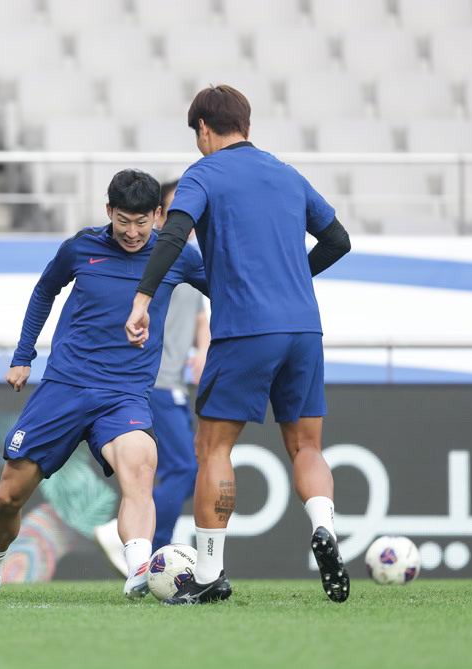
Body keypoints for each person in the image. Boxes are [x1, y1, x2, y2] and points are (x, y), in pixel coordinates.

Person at [125, 85, 352, 605]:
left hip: (245, 329)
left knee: (214, 449)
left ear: (204, 128)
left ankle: (208, 573)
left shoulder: (203, 174)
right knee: (307, 446)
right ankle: (325, 528)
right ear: (246, 124)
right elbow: (338, 239)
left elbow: (173, 234)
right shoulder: (287, 173)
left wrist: (142, 298)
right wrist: (292, 278)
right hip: (304, 329)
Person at [0, 169, 207, 601]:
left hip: (125, 392)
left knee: (141, 466)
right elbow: (43, 292)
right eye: (123, 220)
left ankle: (139, 570)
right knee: (9, 496)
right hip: (65, 387)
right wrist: (22, 356)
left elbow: (229, 291)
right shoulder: (80, 248)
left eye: (142, 222)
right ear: (108, 211)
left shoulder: (177, 255)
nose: (132, 231)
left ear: (158, 215)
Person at [95, 180, 209, 573]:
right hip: (154, 379)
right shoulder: (155, 254)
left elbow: (200, 316)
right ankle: (146, 548)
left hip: (174, 380)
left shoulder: (187, 257)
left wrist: (204, 350)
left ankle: (147, 546)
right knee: (183, 467)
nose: (185, 215)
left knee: (171, 468)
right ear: (161, 214)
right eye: (176, 207)